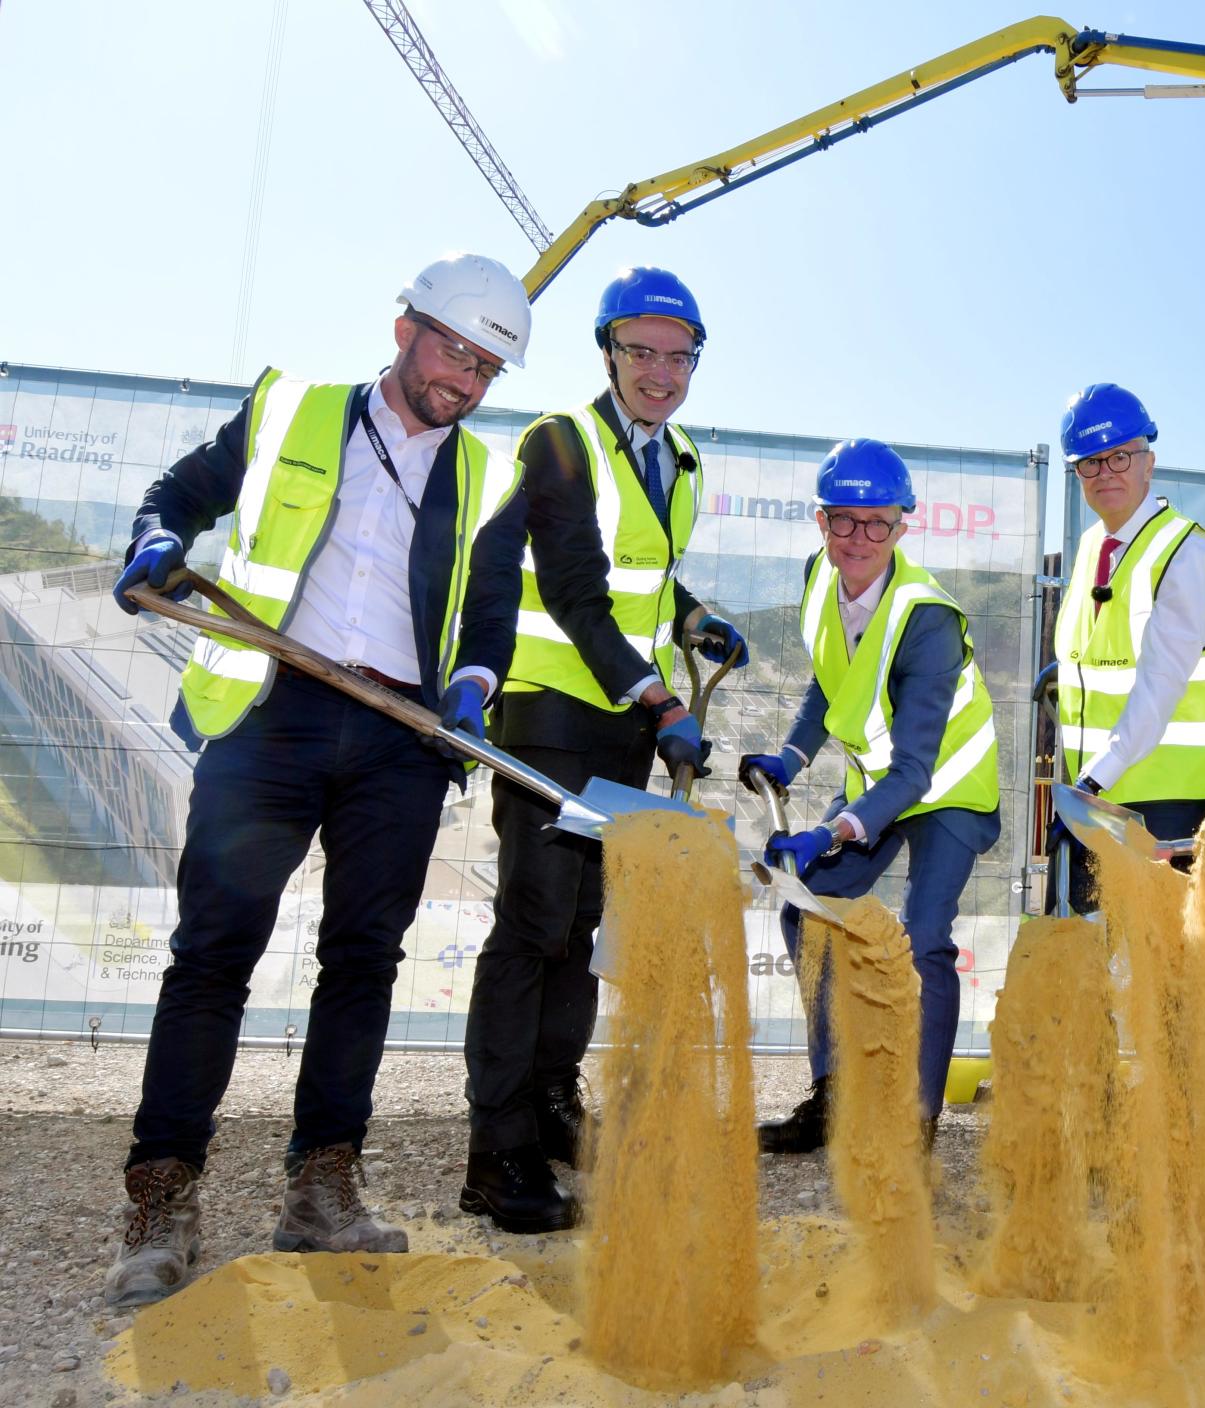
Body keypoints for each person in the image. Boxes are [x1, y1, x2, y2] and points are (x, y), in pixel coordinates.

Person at [102, 253, 533, 1307]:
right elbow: (180, 494)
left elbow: (486, 613)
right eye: (451, 351)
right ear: (404, 329)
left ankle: (321, 1187)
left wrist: (474, 684)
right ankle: (162, 1194)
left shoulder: (483, 475)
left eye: (484, 369)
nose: (462, 381)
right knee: (212, 954)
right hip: (270, 712)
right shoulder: (289, 409)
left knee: (364, 960)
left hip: (399, 738)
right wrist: (157, 537)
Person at [457, 267, 745, 1233]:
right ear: (608, 352)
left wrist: (695, 617)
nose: (661, 373)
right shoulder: (561, 443)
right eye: (642, 352)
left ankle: (546, 1104)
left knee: (580, 931)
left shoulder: (683, 457)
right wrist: (662, 698)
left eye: (679, 355)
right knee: (532, 928)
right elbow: (578, 592)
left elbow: (644, 582)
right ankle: (494, 1155)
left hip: (621, 727)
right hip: (550, 718)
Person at [743, 439, 1001, 1153]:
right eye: (843, 522)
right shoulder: (818, 578)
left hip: (946, 786)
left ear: (903, 524)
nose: (859, 539)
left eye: (877, 523)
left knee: (924, 940)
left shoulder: (928, 618)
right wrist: (791, 758)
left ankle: (916, 1124)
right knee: (808, 910)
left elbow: (917, 772)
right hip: (878, 784)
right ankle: (835, 1096)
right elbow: (833, 676)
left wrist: (830, 833)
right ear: (820, 523)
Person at [1047, 384, 1205, 909]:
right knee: (1092, 966)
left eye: (1119, 456)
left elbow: (1159, 688)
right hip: (1099, 797)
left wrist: (1087, 787)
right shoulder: (1093, 545)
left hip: (1166, 804)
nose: (1105, 472)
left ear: (1148, 461)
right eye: (1089, 462)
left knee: (1161, 976)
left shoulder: (1189, 552)